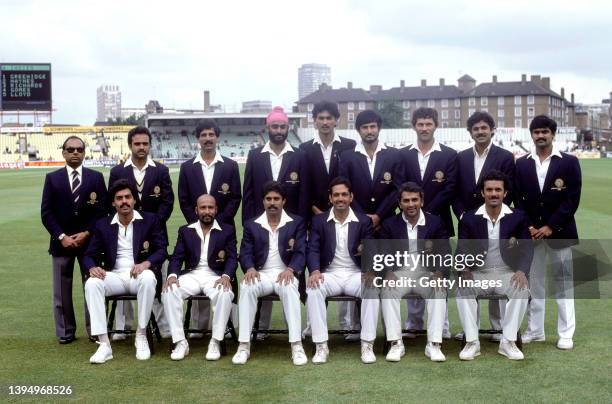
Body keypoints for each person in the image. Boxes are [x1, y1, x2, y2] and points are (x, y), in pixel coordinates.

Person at [515, 115, 582, 350]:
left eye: (545, 131)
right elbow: (517, 198)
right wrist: (530, 227)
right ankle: (536, 330)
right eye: (536, 132)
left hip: (560, 232)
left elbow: (571, 199)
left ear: (553, 134)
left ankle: (566, 333)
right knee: (534, 284)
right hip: (532, 233)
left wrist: (551, 226)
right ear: (531, 135)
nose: (540, 136)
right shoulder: (521, 163)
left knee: (564, 283)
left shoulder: (569, 162)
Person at [83, 179, 167, 363]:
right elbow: (89, 254)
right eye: (119, 198)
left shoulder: (150, 220)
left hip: (139, 275)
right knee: (91, 283)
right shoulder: (103, 224)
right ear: (113, 203)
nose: (124, 201)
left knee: (148, 277)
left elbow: (161, 250)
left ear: (134, 200)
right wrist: (92, 267)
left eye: (128, 197)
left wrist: (146, 264)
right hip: (114, 276)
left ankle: (141, 334)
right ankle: (104, 344)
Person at [242, 106, 309, 336]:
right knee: (262, 267)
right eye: (274, 126)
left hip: (292, 228)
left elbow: (303, 194)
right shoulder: (254, 155)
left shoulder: (299, 155)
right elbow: (249, 192)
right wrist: (249, 224)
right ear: (267, 127)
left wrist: (301, 224)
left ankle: (297, 331)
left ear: (288, 128)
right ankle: (261, 327)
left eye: (282, 126)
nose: (279, 130)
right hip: (261, 225)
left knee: (290, 276)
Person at [456, 170, 532, 360]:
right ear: (482, 192)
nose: (493, 193)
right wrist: (464, 269)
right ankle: (472, 342)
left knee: (521, 289)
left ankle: (508, 341)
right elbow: (461, 249)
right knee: (462, 287)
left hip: (507, 273)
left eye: (498, 189)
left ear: (505, 193)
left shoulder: (518, 216)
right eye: (489, 189)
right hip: (479, 273)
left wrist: (522, 271)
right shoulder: (469, 218)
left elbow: (526, 249)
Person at [452, 111, 515, 341]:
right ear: (470, 132)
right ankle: (471, 329)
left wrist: (496, 214)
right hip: (469, 224)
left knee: (496, 268)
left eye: (484, 128)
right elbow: (455, 191)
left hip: (496, 221)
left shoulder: (505, 156)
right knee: (472, 271)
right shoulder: (460, 157)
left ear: (492, 130)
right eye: (476, 129)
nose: (480, 132)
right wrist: (462, 215)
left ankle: (499, 328)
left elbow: (509, 190)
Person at [108, 126, 174, 341]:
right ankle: (122, 327)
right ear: (130, 145)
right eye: (137, 144)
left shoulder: (160, 171)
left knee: (156, 280)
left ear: (150, 145)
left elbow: (167, 202)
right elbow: (114, 203)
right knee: (123, 273)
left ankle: (163, 327)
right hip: (125, 233)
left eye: (145, 143)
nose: (141, 147)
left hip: (154, 236)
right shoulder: (118, 171)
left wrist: (150, 225)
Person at [232, 181, 308, 365]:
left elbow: (301, 252)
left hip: (286, 272)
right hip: (261, 274)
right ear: (263, 201)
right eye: (268, 199)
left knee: (290, 288)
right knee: (247, 286)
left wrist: (290, 269)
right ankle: (243, 345)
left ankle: (296, 345)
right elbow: (245, 252)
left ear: (284, 201)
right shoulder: (252, 224)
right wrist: (249, 268)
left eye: (276, 199)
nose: (272, 202)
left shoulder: (296, 222)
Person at [41, 136, 107, 344]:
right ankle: (65, 331)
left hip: (90, 244)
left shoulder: (96, 177)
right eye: (71, 149)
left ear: (85, 152)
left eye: (79, 149)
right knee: (61, 291)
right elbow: (46, 213)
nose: (75, 153)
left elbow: (103, 211)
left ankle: (94, 330)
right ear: (64, 153)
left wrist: (87, 232)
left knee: (93, 287)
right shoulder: (52, 178)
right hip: (61, 244)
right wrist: (62, 236)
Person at [178, 119, 241, 337]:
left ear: (217, 137)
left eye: (211, 134)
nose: (207, 138)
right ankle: (200, 326)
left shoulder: (230, 166)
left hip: (223, 229)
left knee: (223, 272)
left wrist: (218, 223)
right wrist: (198, 222)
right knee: (197, 271)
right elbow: (184, 199)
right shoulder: (187, 167)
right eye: (203, 135)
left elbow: (235, 198)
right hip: (197, 230)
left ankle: (227, 326)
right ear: (198, 139)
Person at [299, 100, 357, 338]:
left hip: (343, 213)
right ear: (314, 121)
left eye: (328, 118)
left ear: (336, 120)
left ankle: (348, 324)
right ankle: (314, 324)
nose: (324, 122)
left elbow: (352, 182)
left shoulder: (350, 146)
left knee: (346, 264)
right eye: (320, 118)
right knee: (317, 270)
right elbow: (302, 186)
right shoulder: (304, 149)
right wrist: (315, 211)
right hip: (315, 217)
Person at [306, 177, 379, 364]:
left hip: (356, 274)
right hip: (329, 274)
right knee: (314, 289)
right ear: (330, 198)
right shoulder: (319, 221)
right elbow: (312, 248)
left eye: (344, 194)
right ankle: (321, 345)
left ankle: (367, 344)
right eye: (336, 195)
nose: (340, 198)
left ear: (351, 197)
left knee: (372, 288)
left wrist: (370, 271)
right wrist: (314, 271)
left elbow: (371, 248)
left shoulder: (364, 221)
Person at [399, 107, 457, 336]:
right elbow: (400, 186)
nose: (424, 128)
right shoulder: (403, 154)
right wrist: (415, 211)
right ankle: (414, 324)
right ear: (414, 126)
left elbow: (450, 188)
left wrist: (426, 213)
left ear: (436, 125)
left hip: (438, 223)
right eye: (420, 124)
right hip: (409, 221)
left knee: (437, 273)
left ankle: (441, 327)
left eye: (428, 124)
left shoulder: (449, 155)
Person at [379, 182, 450, 362]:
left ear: (422, 201)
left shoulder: (436, 222)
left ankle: (434, 344)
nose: (411, 204)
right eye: (406, 201)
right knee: (387, 289)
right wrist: (387, 272)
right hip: (399, 273)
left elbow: (445, 251)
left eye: (415, 200)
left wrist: (440, 273)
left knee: (439, 288)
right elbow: (383, 252)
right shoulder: (389, 224)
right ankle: (396, 343)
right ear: (400, 203)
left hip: (426, 273)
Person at [162, 194, 237, 361]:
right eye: (203, 208)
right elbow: (176, 257)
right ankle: (181, 341)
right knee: (169, 290)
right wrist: (172, 275)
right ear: (196, 210)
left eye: (210, 207)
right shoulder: (185, 230)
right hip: (192, 274)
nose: (207, 211)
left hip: (215, 276)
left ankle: (215, 341)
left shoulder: (227, 230)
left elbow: (232, 257)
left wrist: (226, 276)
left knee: (224, 292)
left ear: (216, 210)